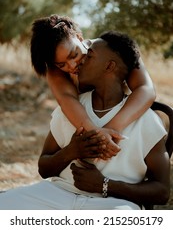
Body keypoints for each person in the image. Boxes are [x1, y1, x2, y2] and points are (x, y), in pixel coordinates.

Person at [0, 31, 169, 210]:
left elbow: (162, 192)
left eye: (88, 55)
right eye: (62, 64)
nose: (76, 64)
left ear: (109, 66)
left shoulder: (145, 119)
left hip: (114, 203)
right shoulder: (70, 111)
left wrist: (105, 185)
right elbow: (44, 169)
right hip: (58, 194)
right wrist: (71, 151)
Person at [30, 14, 156, 159]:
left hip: (126, 127)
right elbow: (67, 99)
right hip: (86, 137)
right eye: (61, 64)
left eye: (74, 54)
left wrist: (112, 128)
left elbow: (146, 89)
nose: (72, 66)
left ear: (79, 37)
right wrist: (97, 134)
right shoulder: (55, 71)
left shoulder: (114, 49)